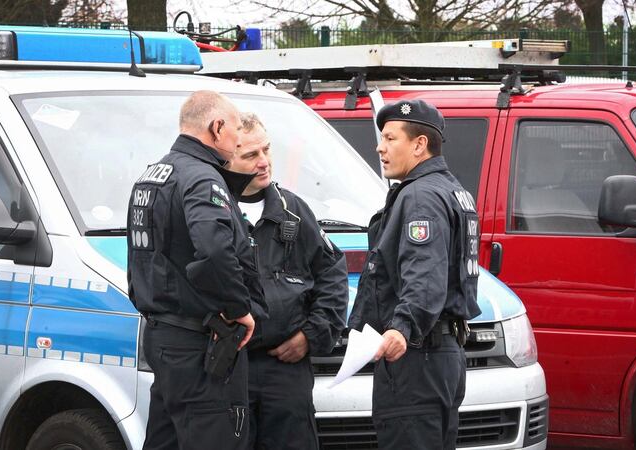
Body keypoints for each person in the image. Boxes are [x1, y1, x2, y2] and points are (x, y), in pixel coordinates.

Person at [127, 91, 264, 450]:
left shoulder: (153, 174)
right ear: (216, 127)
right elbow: (215, 251)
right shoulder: (203, 178)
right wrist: (239, 309)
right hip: (199, 344)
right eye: (235, 129)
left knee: (165, 441)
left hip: (163, 336)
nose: (238, 139)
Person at [347, 99, 481, 450]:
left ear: (419, 145)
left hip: (417, 360)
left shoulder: (421, 196)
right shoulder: (451, 190)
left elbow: (424, 275)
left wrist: (402, 328)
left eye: (391, 138)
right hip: (442, 356)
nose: (380, 147)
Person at [226, 112, 348, 450]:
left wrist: (311, 335)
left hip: (285, 369)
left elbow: (332, 272)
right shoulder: (211, 208)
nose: (264, 162)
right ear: (225, 157)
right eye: (251, 155)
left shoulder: (292, 209)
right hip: (229, 368)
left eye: (266, 150)